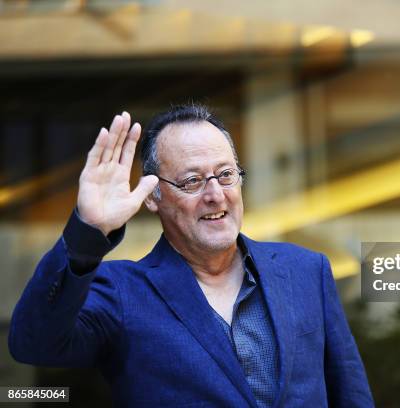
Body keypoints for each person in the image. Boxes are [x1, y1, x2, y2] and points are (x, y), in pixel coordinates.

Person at [8, 104, 374, 407]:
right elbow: (33, 343)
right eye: (192, 181)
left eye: (226, 175)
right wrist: (87, 232)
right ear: (153, 197)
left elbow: (351, 395)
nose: (215, 194)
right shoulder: (122, 292)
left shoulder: (306, 270)